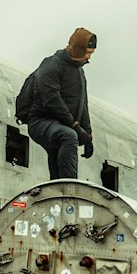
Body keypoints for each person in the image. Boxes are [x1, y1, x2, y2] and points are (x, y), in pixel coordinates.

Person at [25, 28, 96, 180]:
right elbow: (52, 100)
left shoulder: (79, 72)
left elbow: (83, 103)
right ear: (77, 49)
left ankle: (58, 191)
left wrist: (88, 134)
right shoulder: (51, 65)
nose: (89, 57)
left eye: (91, 53)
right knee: (68, 136)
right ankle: (69, 188)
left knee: (58, 152)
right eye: (87, 52)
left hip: (61, 125)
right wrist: (76, 127)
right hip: (41, 122)